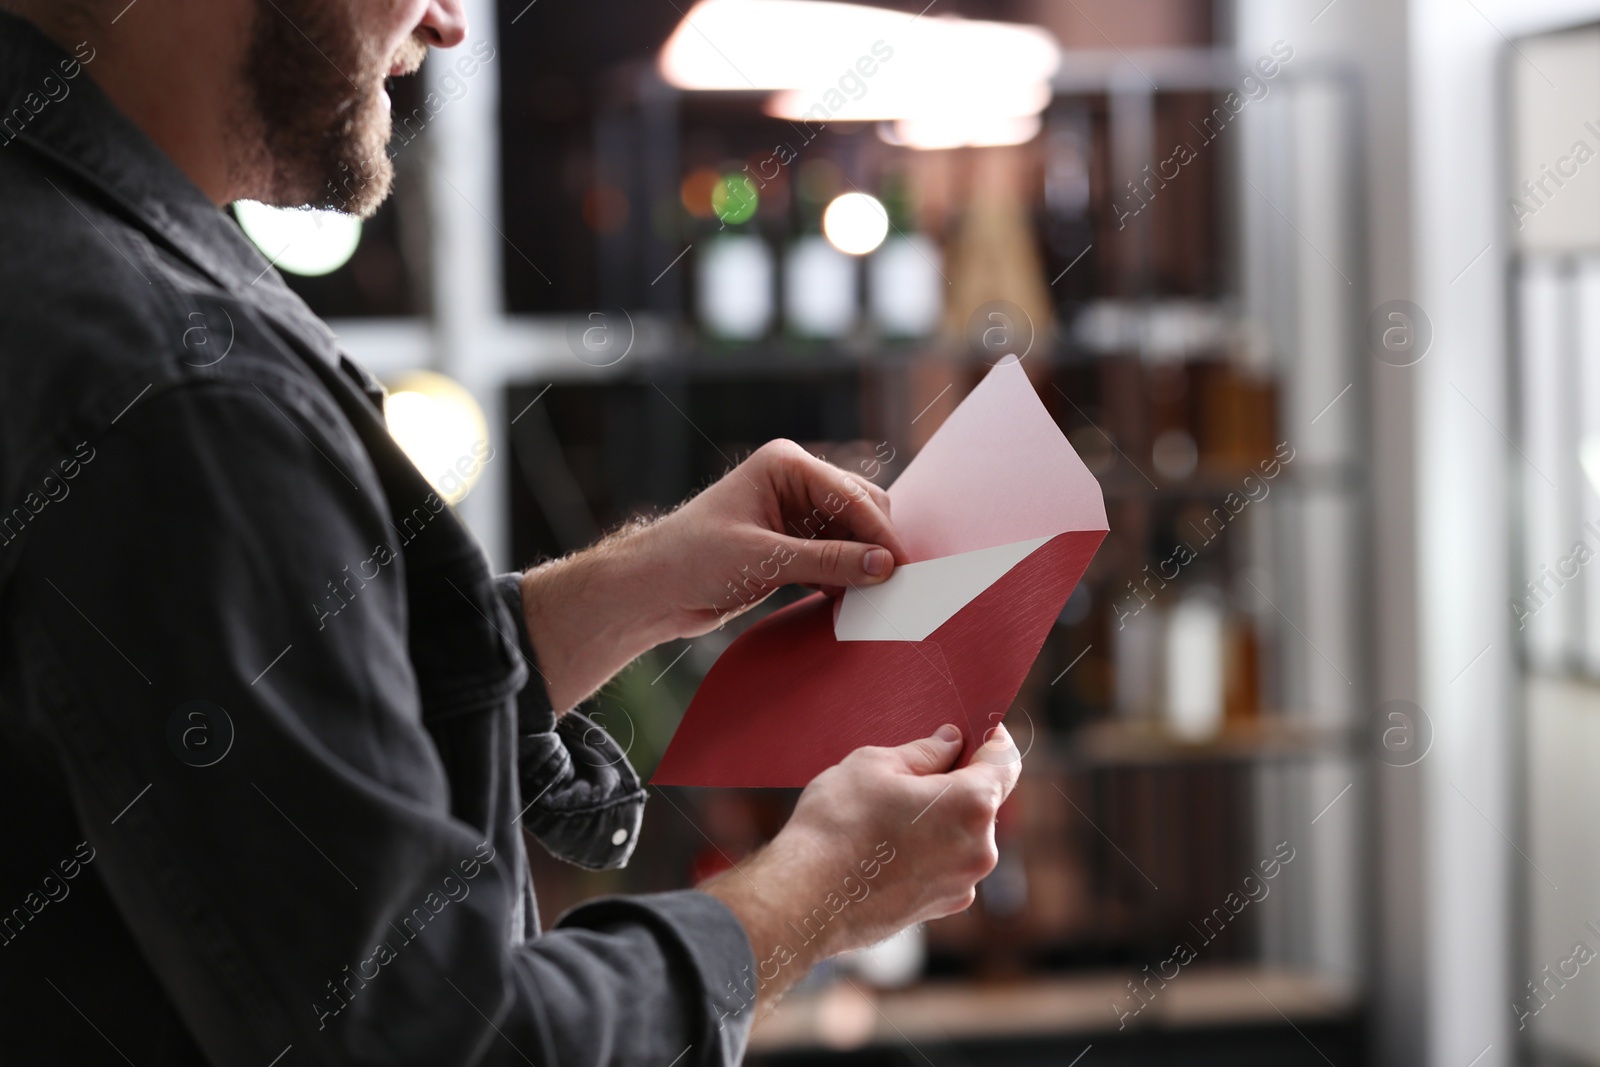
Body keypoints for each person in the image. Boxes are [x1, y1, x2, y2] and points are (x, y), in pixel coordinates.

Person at [0, 1, 1021, 1064]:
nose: (447, 23)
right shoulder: (181, 392)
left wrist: (612, 595)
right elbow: (447, 1041)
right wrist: (817, 890)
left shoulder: (61, 250)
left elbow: (217, 725)